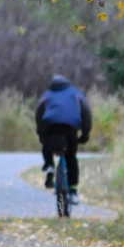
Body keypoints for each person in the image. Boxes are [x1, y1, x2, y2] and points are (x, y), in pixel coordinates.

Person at [34, 74, 91, 204]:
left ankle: (49, 165)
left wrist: (41, 134)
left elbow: (39, 113)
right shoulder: (75, 94)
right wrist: (85, 134)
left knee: (46, 145)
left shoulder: (47, 95)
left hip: (51, 128)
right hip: (70, 129)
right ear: (68, 84)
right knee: (71, 157)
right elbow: (86, 113)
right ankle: (73, 190)